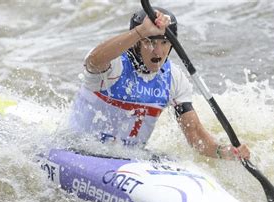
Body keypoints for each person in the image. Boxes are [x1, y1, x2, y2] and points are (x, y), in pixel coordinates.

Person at [68, 7, 250, 161]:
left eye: (164, 42)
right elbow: (93, 61)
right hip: (79, 151)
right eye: (149, 42)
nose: (158, 50)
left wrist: (224, 152)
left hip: (129, 158)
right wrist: (141, 31)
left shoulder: (173, 78)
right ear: (136, 43)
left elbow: (195, 134)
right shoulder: (114, 65)